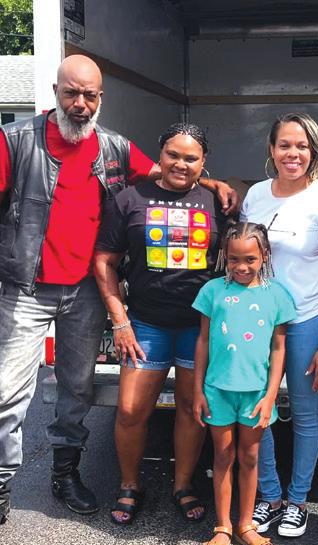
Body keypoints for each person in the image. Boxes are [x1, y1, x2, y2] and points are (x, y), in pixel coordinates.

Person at [0, 55, 238, 545]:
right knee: (6, 394)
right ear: (56, 91)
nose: (80, 103)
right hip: (28, 286)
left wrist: (212, 182)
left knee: (77, 390)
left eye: (90, 95)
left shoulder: (113, 147)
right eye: (71, 93)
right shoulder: (16, 140)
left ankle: (65, 474)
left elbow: (170, 171)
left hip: (86, 292)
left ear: (101, 98)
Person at [94, 123, 229, 524]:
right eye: (173, 155)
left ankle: (183, 485)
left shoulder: (218, 202)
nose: (181, 164)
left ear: (204, 162)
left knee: (191, 409)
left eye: (191, 158)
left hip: (197, 329)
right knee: (130, 410)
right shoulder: (129, 199)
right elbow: (104, 261)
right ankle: (129, 485)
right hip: (146, 325)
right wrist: (120, 321)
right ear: (160, 155)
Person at [241, 113, 318, 537]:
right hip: (259, 321)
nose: (293, 154)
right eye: (285, 145)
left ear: (314, 151)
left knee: (305, 413)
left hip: (307, 318)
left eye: (302, 146)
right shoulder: (255, 196)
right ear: (271, 149)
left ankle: (298, 501)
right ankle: (269, 497)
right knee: (258, 409)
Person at [192, 221, 296, 545]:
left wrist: (271, 395)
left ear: (264, 255)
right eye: (234, 258)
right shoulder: (212, 292)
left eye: (250, 259)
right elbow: (203, 341)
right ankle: (223, 526)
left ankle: (246, 524)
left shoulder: (277, 295)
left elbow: (279, 348)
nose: (241, 266)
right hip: (217, 391)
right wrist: (197, 389)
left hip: (256, 394)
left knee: (250, 458)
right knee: (222, 456)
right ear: (225, 255)